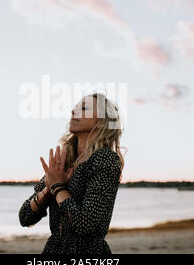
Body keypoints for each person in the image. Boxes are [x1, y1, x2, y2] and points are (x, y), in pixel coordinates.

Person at [18, 92, 125, 254]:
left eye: (84, 108)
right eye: (75, 108)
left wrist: (59, 187)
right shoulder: (64, 161)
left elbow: (85, 225)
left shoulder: (105, 159)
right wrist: (48, 189)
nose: (73, 112)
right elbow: (25, 217)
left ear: (103, 120)